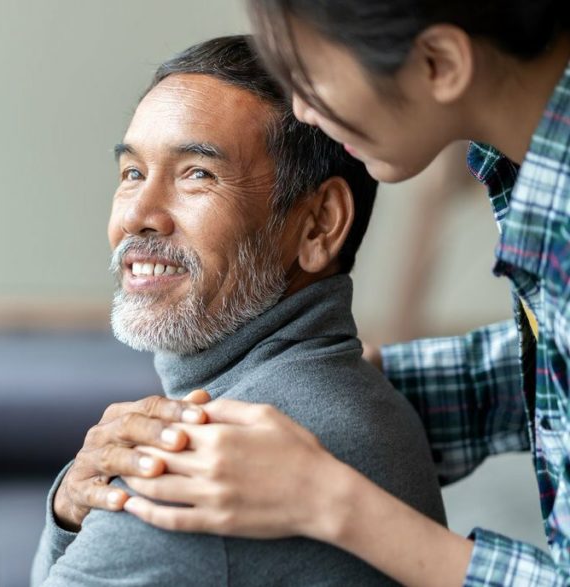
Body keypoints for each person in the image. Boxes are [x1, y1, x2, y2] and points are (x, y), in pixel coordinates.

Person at [56, 3, 570, 585]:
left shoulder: (179, 493)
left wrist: (331, 498)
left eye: (314, 72)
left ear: (439, 62)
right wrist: (352, 397)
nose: (306, 108)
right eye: (130, 173)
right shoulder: (523, 173)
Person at [30, 35, 445, 586]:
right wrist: (69, 508)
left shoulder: (203, 468)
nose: (138, 217)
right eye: (132, 173)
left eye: (196, 174)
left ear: (320, 224)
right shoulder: (361, 398)